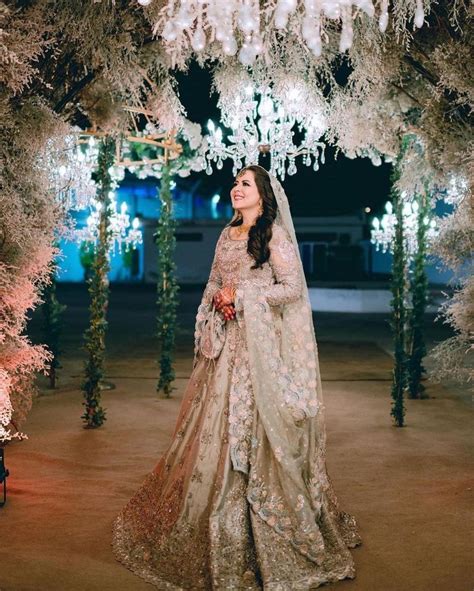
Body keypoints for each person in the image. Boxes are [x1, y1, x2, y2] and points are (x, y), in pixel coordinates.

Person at [112, 165, 361, 589]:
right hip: (224, 347)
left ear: (262, 194)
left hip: (258, 353)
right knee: (209, 429)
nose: (235, 189)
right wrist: (218, 302)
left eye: (244, 184)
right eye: (234, 183)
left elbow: (292, 289)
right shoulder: (227, 236)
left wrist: (244, 298)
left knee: (258, 430)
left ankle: (265, 520)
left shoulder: (273, 237)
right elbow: (212, 284)